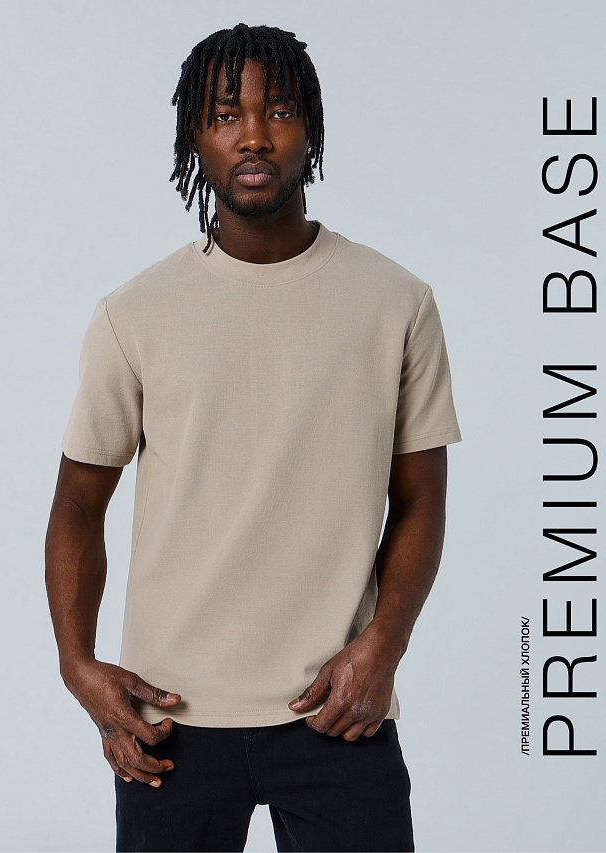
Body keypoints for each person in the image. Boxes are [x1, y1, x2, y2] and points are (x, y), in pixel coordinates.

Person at [45, 22, 462, 853]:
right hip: (170, 718)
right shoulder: (134, 314)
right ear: (193, 136)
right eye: (225, 114)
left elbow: (420, 499)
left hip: (339, 707)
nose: (254, 136)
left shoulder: (396, 301)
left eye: (277, 110)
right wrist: (76, 663)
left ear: (311, 126)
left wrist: (385, 644)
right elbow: (78, 505)